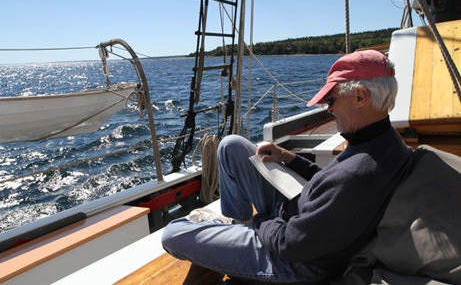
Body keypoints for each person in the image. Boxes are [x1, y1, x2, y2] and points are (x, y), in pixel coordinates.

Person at [161, 50, 415, 283]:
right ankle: (234, 231)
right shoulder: (380, 143)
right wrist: (289, 158)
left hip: (295, 260)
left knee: (174, 233)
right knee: (232, 145)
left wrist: (260, 223)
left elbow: (291, 243)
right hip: (295, 217)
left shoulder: (360, 172)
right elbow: (331, 181)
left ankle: (233, 234)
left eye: (332, 99)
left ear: (360, 96)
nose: (329, 109)